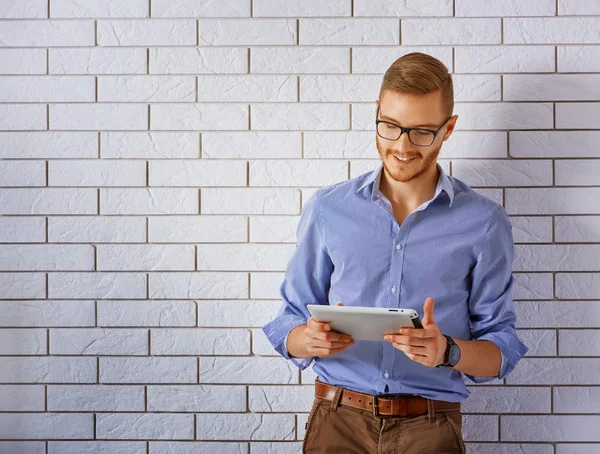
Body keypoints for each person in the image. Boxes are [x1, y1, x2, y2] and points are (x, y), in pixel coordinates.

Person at [262, 52, 529, 454]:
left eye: (422, 131)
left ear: (448, 128)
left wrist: (448, 351)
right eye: (390, 126)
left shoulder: (484, 222)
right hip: (337, 421)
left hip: (431, 427)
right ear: (377, 114)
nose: (402, 146)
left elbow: (502, 349)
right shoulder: (328, 209)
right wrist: (307, 338)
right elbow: (287, 322)